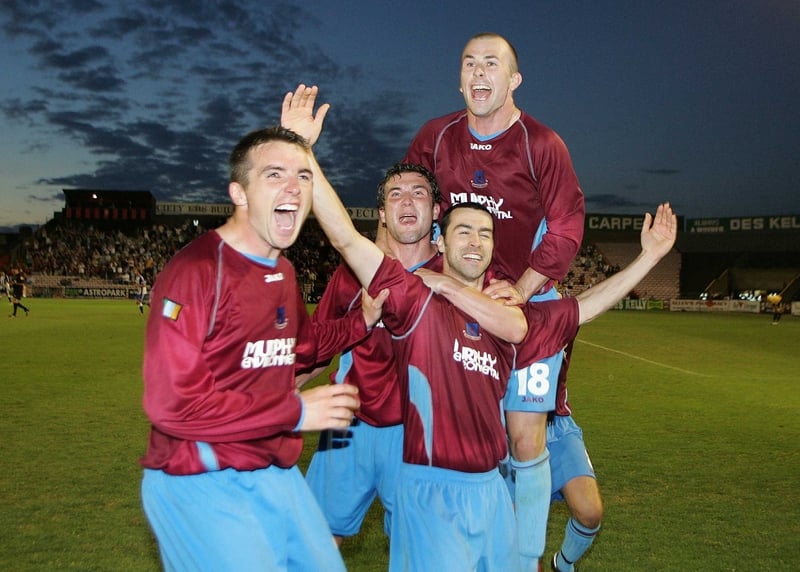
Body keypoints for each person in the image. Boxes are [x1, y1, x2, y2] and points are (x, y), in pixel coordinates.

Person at [139, 125, 387, 571]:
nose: (294, 186)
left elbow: (307, 349)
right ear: (240, 193)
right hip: (201, 476)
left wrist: (362, 320)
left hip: (273, 470)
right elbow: (170, 406)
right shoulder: (196, 271)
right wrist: (294, 412)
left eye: (304, 176)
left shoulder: (284, 272)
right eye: (275, 174)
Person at [404, 31, 586, 569]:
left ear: (513, 80)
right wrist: (400, 270)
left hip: (522, 307)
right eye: (469, 63)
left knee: (526, 438)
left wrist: (525, 289)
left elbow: (569, 224)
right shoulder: (436, 137)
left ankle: (524, 560)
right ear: (459, 77)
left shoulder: (541, 143)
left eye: (492, 64)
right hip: (454, 301)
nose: (479, 73)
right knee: (444, 431)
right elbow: (408, 200)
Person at [301, 162, 442, 547]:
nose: (407, 200)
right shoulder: (352, 273)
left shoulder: (455, 277)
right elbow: (315, 346)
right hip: (349, 425)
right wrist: (270, 404)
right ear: (382, 214)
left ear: (436, 210)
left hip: (420, 433)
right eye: (395, 195)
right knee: (315, 545)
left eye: (419, 192)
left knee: (420, 550)